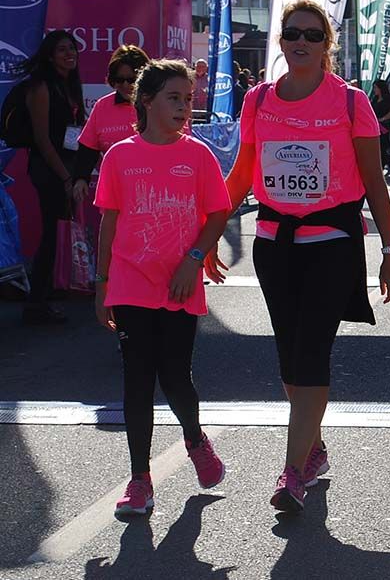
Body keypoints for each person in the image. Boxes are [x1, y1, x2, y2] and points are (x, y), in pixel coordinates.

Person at [203, 0, 390, 513]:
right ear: (282, 39)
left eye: (313, 35)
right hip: (275, 245)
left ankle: (292, 472)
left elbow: (375, 181)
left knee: (312, 354)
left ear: (326, 45)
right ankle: (312, 450)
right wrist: (207, 238)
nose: (302, 42)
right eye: (293, 32)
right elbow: (242, 174)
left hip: (332, 245)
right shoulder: (258, 100)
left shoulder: (351, 102)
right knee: (290, 364)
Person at [94, 59, 230, 516]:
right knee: (137, 379)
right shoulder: (119, 156)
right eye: (174, 98)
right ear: (146, 100)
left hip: (179, 284)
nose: (184, 106)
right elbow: (109, 222)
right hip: (130, 283)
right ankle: (140, 481)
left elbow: (217, 214)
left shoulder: (197, 155)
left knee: (175, 377)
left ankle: (194, 438)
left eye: (189, 98)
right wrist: (101, 284)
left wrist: (195, 259)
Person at [19, 30, 86, 325]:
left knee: (57, 232)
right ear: (49, 55)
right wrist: (65, 177)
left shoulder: (69, 84)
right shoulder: (40, 86)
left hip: (67, 167)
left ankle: (47, 293)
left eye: (72, 48)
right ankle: (36, 303)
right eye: (62, 49)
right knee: (50, 233)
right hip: (49, 169)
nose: (69, 53)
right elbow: (42, 140)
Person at [73, 45, 150, 206]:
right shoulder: (102, 106)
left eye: (132, 79)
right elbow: (88, 148)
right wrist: (81, 178)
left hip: (152, 190)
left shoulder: (157, 104)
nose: (126, 85)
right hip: (115, 192)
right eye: (119, 80)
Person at [371, 79, 390, 176]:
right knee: (379, 146)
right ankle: (383, 166)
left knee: (382, 146)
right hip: (376, 125)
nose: (374, 90)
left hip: (386, 125)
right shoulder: (375, 98)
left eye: (376, 88)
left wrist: (383, 118)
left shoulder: (388, 98)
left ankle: (388, 164)